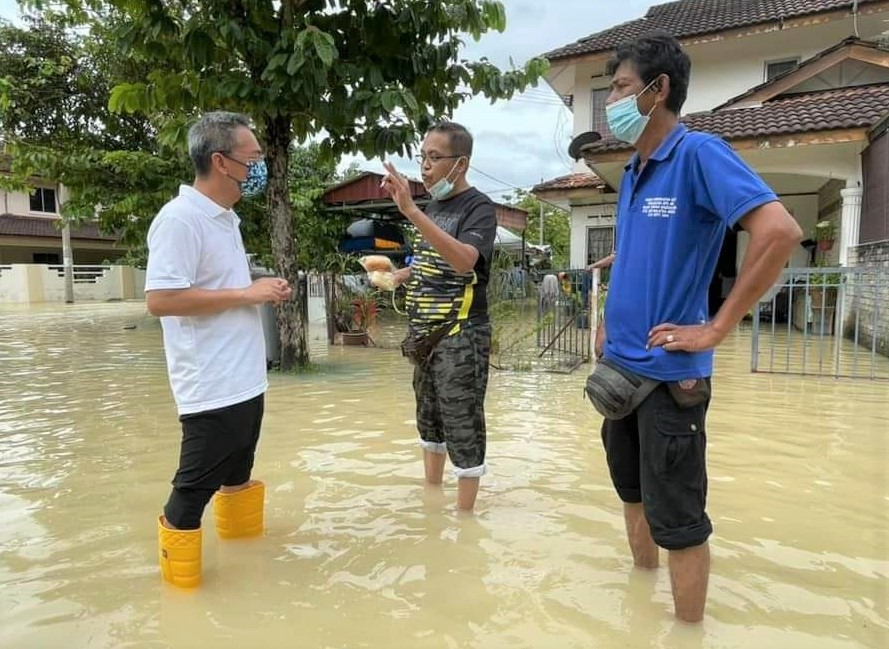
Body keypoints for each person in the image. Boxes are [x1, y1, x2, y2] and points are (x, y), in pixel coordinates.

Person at [592, 33, 802, 622]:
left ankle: (687, 631)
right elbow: (638, 256)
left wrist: (714, 328)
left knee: (679, 522)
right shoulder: (634, 171)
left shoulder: (699, 154)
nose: (610, 101)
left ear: (659, 92)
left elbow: (780, 232)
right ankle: (639, 612)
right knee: (632, 497)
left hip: (671, 380)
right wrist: (610, 321)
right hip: (619, 370)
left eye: (621, 88)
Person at [145, 111, 292, 588]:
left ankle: (247, 575)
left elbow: (219, 286)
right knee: (190, 494)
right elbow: (160, 299)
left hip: (245, 378)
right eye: (252, 159)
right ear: (220, 162)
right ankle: (181, 601)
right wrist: (246, 294)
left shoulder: (225, 218)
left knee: (239, 475)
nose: (258, 168)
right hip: (210, 385)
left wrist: (257, 287)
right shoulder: (180, 219)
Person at [379, 122, 497, 512]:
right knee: (428, 417)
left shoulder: (478, 207)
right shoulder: (433, 207)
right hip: (423, 334)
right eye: (422, 157)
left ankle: (464, 520)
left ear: (460, 164)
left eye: (434, 157)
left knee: (461, 421)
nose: (425, 167)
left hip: (461, 333)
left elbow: (464, 261)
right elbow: (431, 261)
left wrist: (410, 211)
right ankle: (432, 502)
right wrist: (398, 275)